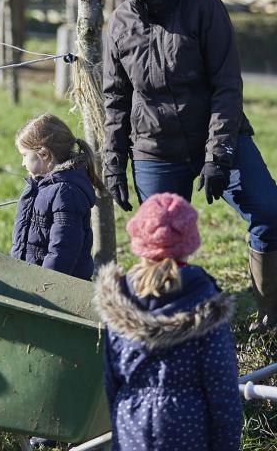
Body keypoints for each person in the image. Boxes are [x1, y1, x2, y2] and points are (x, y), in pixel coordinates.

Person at [103, 0, 277, 329]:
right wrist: (114, 163)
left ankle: (270, 314)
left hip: (219, 137)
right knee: (160, 242)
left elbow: (226, 86)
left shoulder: (205, 8)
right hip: (155, 148)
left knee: (270, 211)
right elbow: (115, 100)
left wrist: (218, 156)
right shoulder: (120, 23)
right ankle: (170, 326)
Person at [94, 193, 242, 451]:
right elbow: (223, 390)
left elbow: (111, 380)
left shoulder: (119, 300)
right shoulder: (205, 301)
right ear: (190, 243)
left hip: (132, 425)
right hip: (188, 428)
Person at [11, 113, 104, 281]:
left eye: (25, 155)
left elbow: (63, 250)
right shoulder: (39, 185)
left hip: (56, 288)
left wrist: (46, 284)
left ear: (44, 154)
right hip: (30, 279)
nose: (23, 163)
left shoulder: (65, 193)